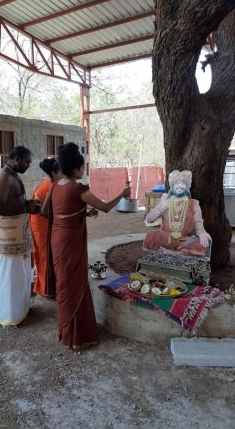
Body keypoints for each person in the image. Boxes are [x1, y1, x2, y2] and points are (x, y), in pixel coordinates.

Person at [50, 142, 131, 349]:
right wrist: (122, 194)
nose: (83, 171)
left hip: (57, 239)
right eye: (82, 168)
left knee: (65, 285)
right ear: (75, 169)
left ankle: (67, 332)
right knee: (74, 284)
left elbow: (56, 212)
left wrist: (82, 213)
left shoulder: (56, 185)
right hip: (70, 242)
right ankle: (76, 337)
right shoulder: (78, 188)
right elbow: (104, 207)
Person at [0, 146, 41, 328]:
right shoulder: (4, 177)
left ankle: (20, 310)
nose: (28, 166)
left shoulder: (11, 175)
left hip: (17, 232)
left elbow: (10, 199)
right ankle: (9, 315)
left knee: (21, 272)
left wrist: (27, 203)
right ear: (17, 158)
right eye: (26, 162)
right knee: (11, 275)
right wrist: (26, 208)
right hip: (9, 234)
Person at [143, 170, 211, 257]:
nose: (180, 186)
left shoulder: (194, 204)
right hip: (166, 237)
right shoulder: (165, 202)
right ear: (172, 186)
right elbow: (149, 219)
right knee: (151, 235)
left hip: (185, 240)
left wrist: (202, 234)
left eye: (183, 184)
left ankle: (173, 253)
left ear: (187, 186)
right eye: (177, 184)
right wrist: (160, 208)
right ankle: (177, 253)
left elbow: (198, 224)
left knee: (204, 243)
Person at [30, 158, 62, 297]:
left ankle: (50, 287)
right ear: (54, 173)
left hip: (45, 222)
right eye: (62, 171)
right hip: (41, 224)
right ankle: (45, 289)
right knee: (45, 257)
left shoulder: (51, 183)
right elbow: (44, 211)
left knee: (50, 255)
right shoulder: (50, 185)